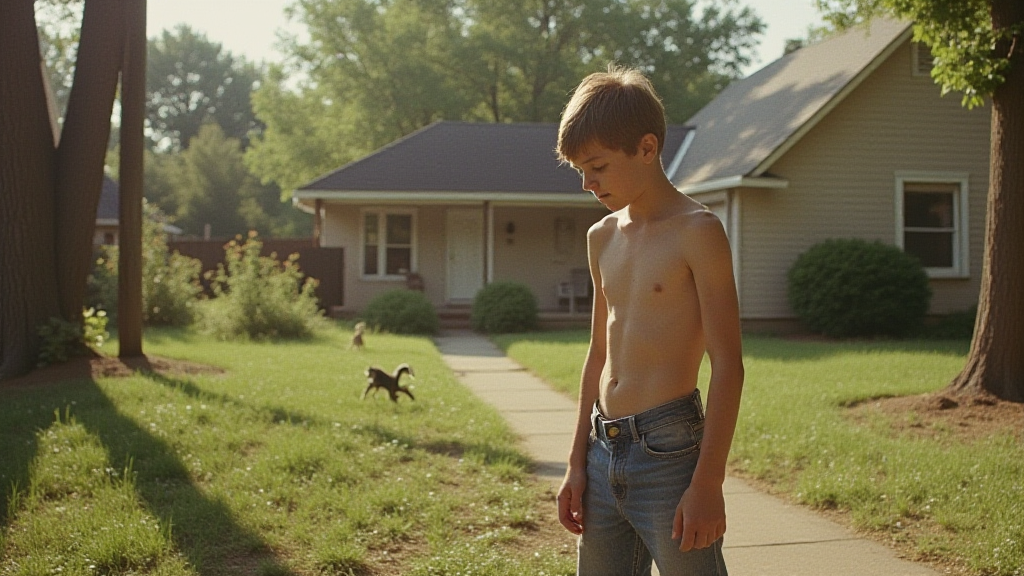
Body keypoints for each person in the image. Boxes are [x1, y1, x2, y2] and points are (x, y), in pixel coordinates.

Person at [555, 65, 744, 576]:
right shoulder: (601, 237)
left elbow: (728, 364)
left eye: (597, 167)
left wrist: (708, 483)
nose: (587, 184)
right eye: (580, 172)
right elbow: (598, 354)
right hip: (601, 449)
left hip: (671, 455)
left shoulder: (697, 231)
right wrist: (576, 462)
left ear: (646, 148)